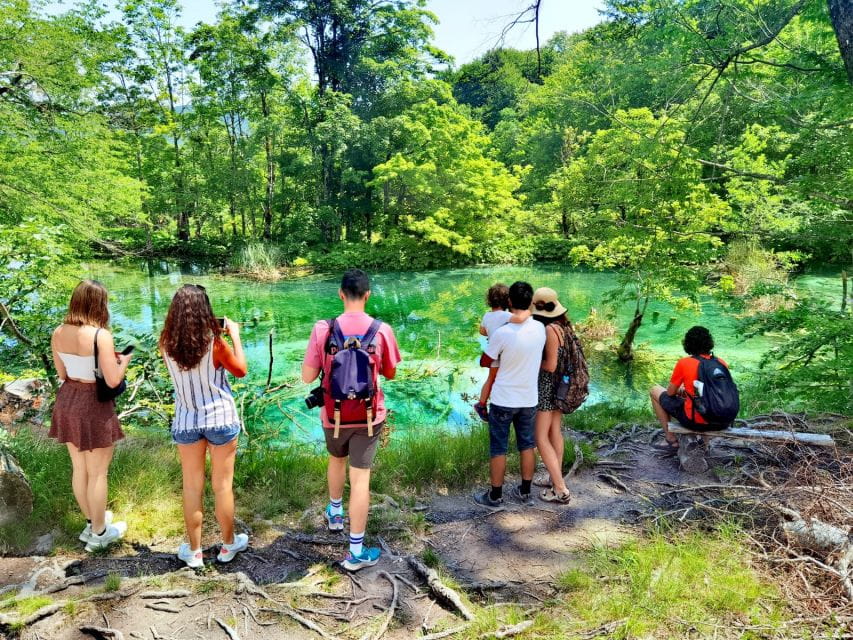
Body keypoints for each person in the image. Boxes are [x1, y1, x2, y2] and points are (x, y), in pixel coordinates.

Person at [302, 269, 401, 571]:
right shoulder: (382, 329)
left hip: (333, 416)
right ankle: (355, 552)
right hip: (369, 418)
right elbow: (391, 373)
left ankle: (334, 515)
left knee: (336, 462)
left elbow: (307, 376)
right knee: (360, 480)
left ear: (340, 294)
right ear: (368, 295)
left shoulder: (324, 328)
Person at [159, 284, 249, 569]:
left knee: (191, 487)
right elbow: (241, 370)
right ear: (205, 312)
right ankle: (228, 545)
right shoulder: (216, 343)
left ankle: (195, 552)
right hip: (220, 419)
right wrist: (234, 335)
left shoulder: (165, 344)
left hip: (186, 420)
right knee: (222, 487)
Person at [49, 280, 130, 552]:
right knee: (98, 473)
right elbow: (112, 378)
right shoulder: (100, 335)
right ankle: (100, 533)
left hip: (68, 398)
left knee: (80, 468)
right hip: (92, 403)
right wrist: (124, 362)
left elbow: (62, 374)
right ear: (99, 304)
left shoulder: (58, 331)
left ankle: (90, 523)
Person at [474, 281, 546, 508]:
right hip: (528, 399)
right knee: (527, 445)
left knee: (499, 447)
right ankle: (525, 491)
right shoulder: (540, 328)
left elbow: (485, 361)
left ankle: (495, 496)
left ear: (509, 302)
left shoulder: (503, 333)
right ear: (531, 302)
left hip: (504, 400)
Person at [650, 325, 728, 454]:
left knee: (654, 390)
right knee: (698, 402)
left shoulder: (684, 363)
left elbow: (670, 393)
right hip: (722, 420)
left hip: (695, 421)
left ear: (688, 343)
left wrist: (681, 389)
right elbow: (714, 392)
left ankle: (671, 439)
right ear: (709, 342)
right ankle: (705, 443)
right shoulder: (721, 362)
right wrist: (687, 391)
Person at [531, 288, 573, 504]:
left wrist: (530, 363)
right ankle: (554, 476)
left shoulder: (548, 330)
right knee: (555, 431)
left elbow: (550, 365)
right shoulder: (563, 326)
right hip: (560, 387)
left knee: (540, 437)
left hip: (548, 387)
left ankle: (560, 488)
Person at [473, 283, 512, 421]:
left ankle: (482, 403)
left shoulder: (487, 315)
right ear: (507, 300)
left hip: (492, 352)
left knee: (491, 378)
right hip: (503, 353)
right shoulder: (508, 316)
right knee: (498, 378)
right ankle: (486, 403)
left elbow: (482, 331)